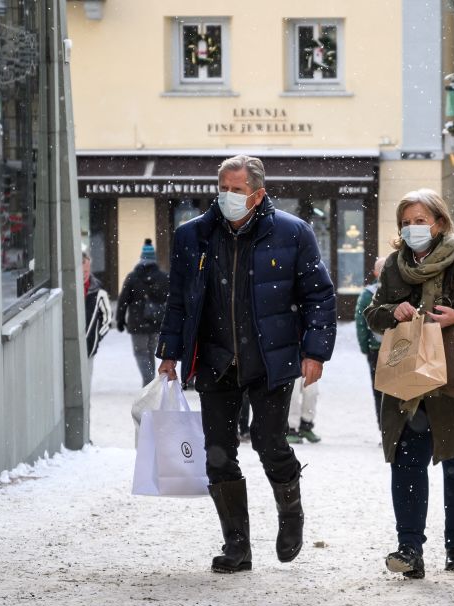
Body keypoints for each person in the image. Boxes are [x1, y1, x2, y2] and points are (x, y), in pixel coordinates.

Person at [156, 155, 336, 573]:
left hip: (270, 359)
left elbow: (319, 296)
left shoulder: (293, 233)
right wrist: (169, 351)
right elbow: (179, 300)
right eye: (223, 188)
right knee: (217, 454)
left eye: (237, 190)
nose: (228, 197)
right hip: (216, 359)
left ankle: (291, 513)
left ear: (258, 194)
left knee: (271, 444)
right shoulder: (193, 236)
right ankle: (237, 545)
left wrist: (315, 351)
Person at [364, 188, 454, 579]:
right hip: (410, 384)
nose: (413, 228)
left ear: (440, 223)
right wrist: (390, 311)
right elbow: (373, 315)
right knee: (407, 463)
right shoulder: (396, 266)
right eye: (407, 222)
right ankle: (409, 548)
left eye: (421, 220)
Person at [116, 238, 170, 387]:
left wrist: (120, 320)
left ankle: (148, 381)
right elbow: (171, 301)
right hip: (156, 322)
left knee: (141, 352)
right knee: (150, 351)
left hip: (137, 323)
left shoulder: (133, 278)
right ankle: (150, 381)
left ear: (141, 258)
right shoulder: (164, 278)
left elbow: (123, 300)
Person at [355, 256, 387, 426]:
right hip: (392, 348)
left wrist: (365, 346)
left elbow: (360, 323)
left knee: (379, 390)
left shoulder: (367, 294)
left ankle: (383, 426)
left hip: (376, 348)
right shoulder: (371, 294)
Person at [83, 249, 111, 374]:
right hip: (67, 350)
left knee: (85, 389)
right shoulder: (69, 290)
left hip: (89, 349)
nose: (84, 274)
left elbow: (107, 318)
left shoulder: (99, 291)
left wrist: (96, 337)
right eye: (81, 271)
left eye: (86, 271)